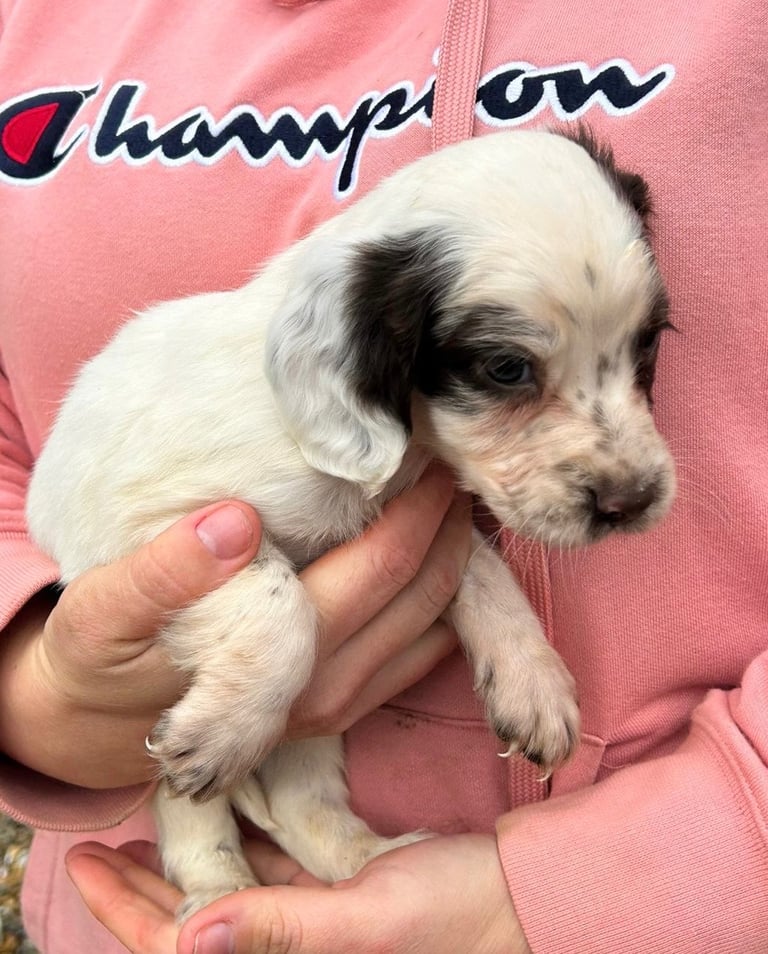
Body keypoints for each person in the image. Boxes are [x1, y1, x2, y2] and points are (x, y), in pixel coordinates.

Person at [0, 0, 766, 951]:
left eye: (639, 351)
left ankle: (317, 829)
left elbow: (415, 532)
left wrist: (666, 852)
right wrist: (27, 687)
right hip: (130, 892)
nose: (625, 471)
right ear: (372, 349)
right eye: (509, 371)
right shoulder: (30, 30)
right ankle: (207, 854)